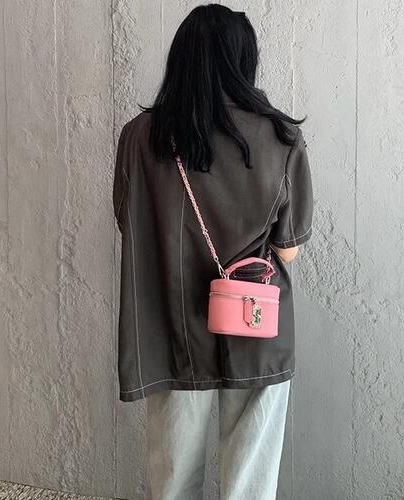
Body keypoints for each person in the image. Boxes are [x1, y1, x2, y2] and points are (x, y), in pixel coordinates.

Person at [112, 4, 314, 499]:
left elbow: (128, 222)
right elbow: (287, 252)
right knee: (249, 483)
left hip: (170, 327)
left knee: (173, 477)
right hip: (255, 324)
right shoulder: (280, 136)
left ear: (181, 58)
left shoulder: (140, 137)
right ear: (244, 60)